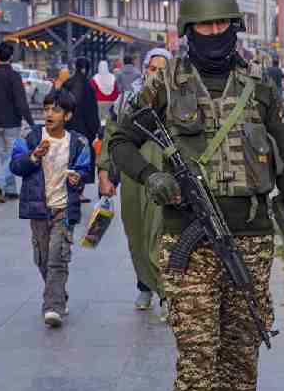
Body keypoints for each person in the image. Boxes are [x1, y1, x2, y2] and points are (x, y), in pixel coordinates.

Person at [109, 0, 284, 391]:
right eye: (204, 26)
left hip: (250, 232)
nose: (214, 33)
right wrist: (153, 178)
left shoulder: (260, 86)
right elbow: (120, 141)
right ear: (188, 31)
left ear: (234, 28)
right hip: (187, 234)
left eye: (222, 25)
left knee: (243, 338)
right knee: (198, 343)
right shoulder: (163, 86)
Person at [98, 48, 171, 315]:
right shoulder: (126, 101)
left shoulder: (178, 102)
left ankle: (165, 292)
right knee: (136, 233)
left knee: (159, 233)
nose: (157, 75)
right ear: (144, 70)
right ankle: (145, 285)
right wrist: (105, 172)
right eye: (152, 69)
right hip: (132, 177)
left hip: (165, 176)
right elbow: (111, 137)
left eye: (163, 70)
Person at [10, 89, 91, 328]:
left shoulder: (78, 142)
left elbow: (84, 169)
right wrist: (33, 157)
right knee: (42, 258)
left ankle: (52, 307)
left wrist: (78, 177)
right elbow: (16, 165)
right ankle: (58, 294)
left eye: (55, 110)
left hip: (64, 209)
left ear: (67, 115)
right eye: (46, 109)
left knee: (58, 256)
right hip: (38, 209)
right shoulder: (30, 137)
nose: (49, 114)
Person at [0, 42, 35, 203]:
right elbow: (21, 102)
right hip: (12, 121)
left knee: (4, 156)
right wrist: (31, 122)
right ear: (11, 57)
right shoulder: (14, 76)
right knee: (13, 156)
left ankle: (11, 190)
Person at [63, 57, 99, 196]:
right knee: (83, 159)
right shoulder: (89, 86)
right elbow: (92, 111)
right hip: (84, 128)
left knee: (68, 157)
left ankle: (68, 186)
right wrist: (95, 129)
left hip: (68, 126)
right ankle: (79, 190)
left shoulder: (68, 83)